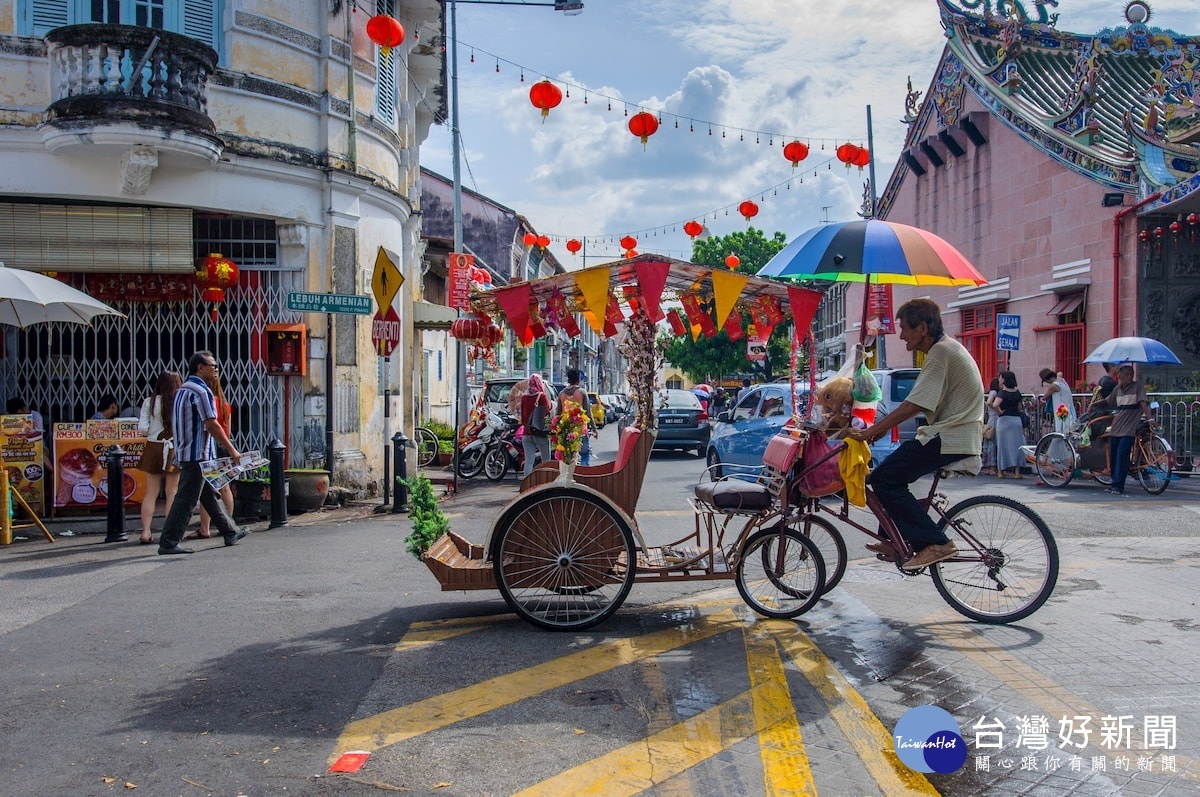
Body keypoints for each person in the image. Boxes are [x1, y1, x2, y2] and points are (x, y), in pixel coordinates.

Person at [847, 299, 983, 568]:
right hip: (950, 433)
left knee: (885, 479)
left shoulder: (941, 353)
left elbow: (916, 403)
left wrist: (872, 430)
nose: (901, 335)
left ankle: (936, 543)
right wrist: (875, 428)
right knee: (887, 474)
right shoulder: (944, 350)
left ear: (922, 328)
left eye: (904, 328)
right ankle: (894, 539)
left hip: (951, 435)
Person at [157, 351, 246, 555]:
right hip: (198, 454)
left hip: (187, 451)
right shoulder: (200, 391)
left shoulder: (183, 390)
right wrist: (231, 449)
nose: (216, 370)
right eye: (212, 366)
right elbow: (211, 424)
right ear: (200, 368)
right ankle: (169, 541)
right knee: (186, 499)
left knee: (208, 494)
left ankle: (229, 530)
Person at [136, 371, 183, 545]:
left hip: (154, 447)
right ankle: (168, 532)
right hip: (172, 448)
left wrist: (154, 432)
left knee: (151, 492)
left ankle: (146, 532)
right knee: (172, 492)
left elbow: (142, 428)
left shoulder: (149, 402)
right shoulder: (179, 401)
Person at [1095, 363, 1153, 496]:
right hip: (1116, 427)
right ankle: (1114, 482)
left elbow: (1143, 403)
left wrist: (1150, 419)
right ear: (1119, 376)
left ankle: (1118, 486)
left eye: (1131, 374)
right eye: (1127, 374)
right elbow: (1108, 401)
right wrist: (1093, 405)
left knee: (1122, 456)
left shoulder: (1137, 387)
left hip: (1128, 429)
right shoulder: (1117, 389)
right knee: (1114, 456)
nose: (1130, 377)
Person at [194, 368, 235, 538]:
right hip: (223, 446)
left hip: (210, 446)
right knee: (225, 487)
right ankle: (228, 523)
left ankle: (205, 527)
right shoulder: (225, 406)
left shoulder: (205, 402)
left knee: (208, 487)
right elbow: (228, 430)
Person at [991, 371, 1025, 479]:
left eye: (1000, 378)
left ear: (1004, 379)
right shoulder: (1017, 392)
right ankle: (1017, 472)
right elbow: (1020, 408)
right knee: (1017, 446)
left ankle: (1001, 470)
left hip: (1004, 420)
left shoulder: (1002, 393)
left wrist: (999, 412)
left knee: (1003, 446)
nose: (999, 379)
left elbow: (995, 404)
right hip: (1016, 420)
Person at [556, 368, 594, 466]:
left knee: (567, 454)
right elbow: (588, 412)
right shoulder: (581, 392)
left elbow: (557, 414)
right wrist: (594, 428)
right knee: (585, 453)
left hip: (565, 428)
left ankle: (569, 474)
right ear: (578, 379)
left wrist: (556, 429)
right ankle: (584, 474)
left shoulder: (562, 394)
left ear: (568, 379)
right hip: (580, 427)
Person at [519, 374, 552, 478]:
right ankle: (545, 481)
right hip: (540, 433)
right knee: (546, 460)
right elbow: (547, 413)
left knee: (529, 461)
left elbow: (523, 417)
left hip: (527, 433)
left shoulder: (524, 397)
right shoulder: (542, 396)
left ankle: (527, 483)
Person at [1040, 367, 1076, 432]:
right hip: (1070, 410)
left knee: (1061, 432)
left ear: (1046, 380)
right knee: (1069, 432)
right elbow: (1060, 373)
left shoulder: (1053, 386)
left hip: (1061, 411)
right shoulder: (1062, 380)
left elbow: (1044, 397)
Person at [981, 376, 1000, 475]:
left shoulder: (994, 393)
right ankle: (994, 467)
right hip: (995, 418)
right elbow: (989, 403)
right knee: (994, 443)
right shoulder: (995, 393)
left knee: (991, 444)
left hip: (993, 419)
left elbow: (988, 403)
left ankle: (991, 467)